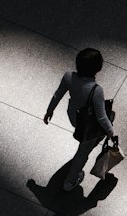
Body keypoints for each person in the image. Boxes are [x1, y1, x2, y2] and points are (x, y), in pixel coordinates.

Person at [44, 47, 118, 190]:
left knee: (110, 116)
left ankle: (90, 142)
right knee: (83, 152)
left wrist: (49, 111)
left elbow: (57, 95)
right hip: (87, 125)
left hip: (74, 117)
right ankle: (70, 181)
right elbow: (101, 117)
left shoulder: (68, 76)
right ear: (97, 68)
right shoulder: (96, 90)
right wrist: (110, 131)